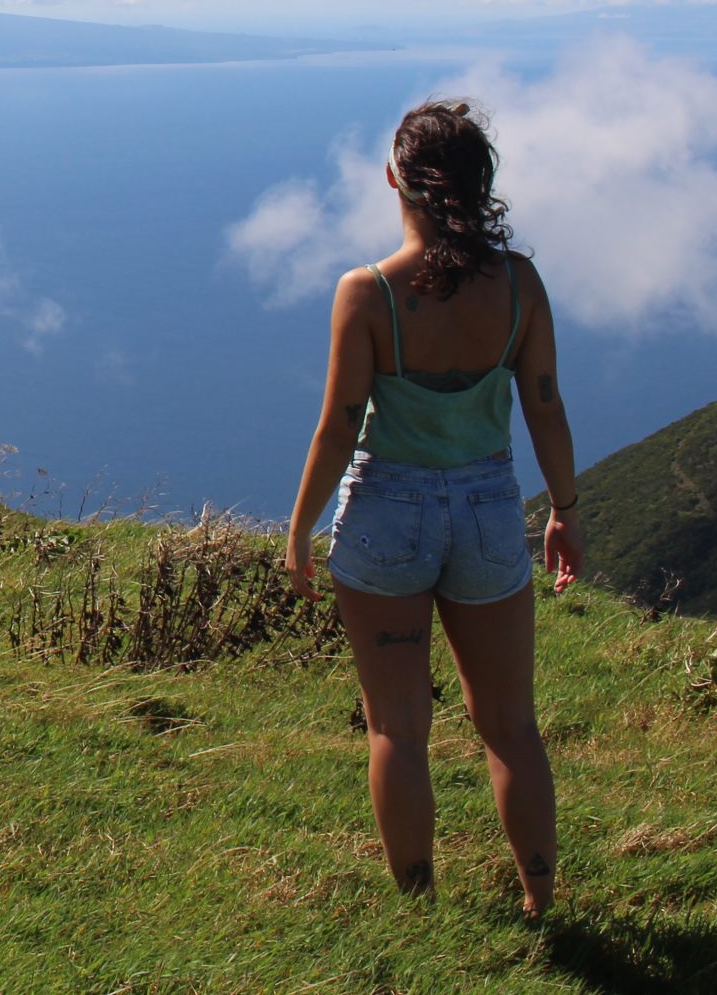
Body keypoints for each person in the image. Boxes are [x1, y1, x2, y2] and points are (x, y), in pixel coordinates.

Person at [282, 98, 583, 919]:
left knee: (398, 728)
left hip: (386, 513)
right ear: (480, 184)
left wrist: (302, 529)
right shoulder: (520, 284)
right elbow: (546, 404)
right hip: (488, 507)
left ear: (394, 179)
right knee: (511, 726)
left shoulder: (369, 292)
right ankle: (542, 902)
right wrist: (564, 508)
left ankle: (419, 909)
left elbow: (339, 425)